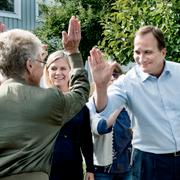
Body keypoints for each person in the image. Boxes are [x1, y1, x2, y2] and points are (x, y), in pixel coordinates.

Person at [0, 16, 89, 180]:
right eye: (42, 61)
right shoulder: (48, 100)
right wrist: (73, 52)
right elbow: (81, 91)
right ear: (30, 65)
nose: (44, 68)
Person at [88, 25, 180, 180]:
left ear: (163, 52)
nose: (141, 58)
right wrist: (100, 86)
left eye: (148, 52)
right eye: (137, 52)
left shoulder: (178, 73)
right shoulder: (127, 82)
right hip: (148, 162)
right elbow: (102, 109)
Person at [43, 50, 94, 180]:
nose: (58, 73)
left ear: (71, 72)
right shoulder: (39, 101)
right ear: (47, 71)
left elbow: (86, 139)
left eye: (63, 68)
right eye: (54, 68)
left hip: (72, 168)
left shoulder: (80, 105)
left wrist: (89, 168)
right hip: (45, 169)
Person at [87, 64, 132, 180]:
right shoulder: (92, 104)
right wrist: (117, 105)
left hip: (127, 167)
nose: (112, 78)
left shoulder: (129, 107)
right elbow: (100, 128)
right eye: (109, 74)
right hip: (103, 170)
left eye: (115, 75)